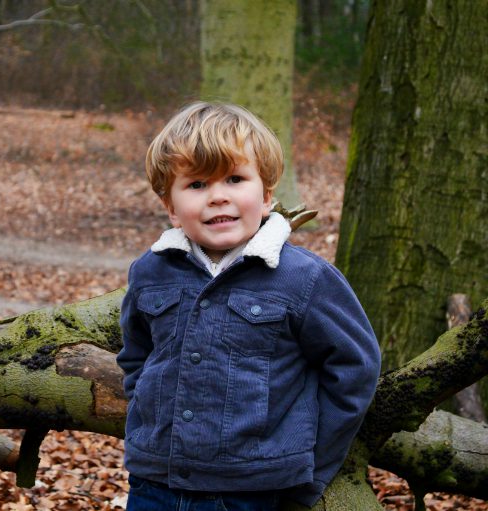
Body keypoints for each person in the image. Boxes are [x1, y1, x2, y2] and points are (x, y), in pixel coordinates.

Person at [116, 102, 381, 510]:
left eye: (235, 179)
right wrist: (147, 423)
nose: (218, 197)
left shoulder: (303, 278)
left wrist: (311, 468)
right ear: (170, 206)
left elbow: (355, 368)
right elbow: (137, 355)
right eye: (197, 185)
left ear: (267, 195)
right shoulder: (151, 271)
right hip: (154, 485)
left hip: (252, 492)